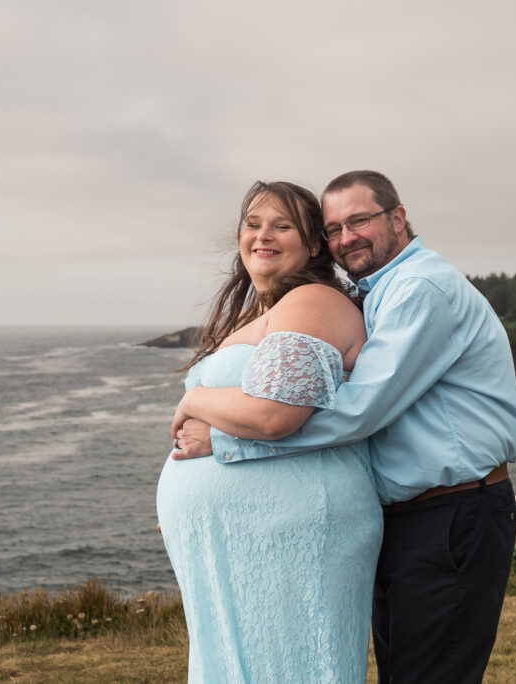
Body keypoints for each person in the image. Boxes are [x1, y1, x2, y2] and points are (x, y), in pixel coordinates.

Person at [172, 170, 516, 684]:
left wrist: (225, 440)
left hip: (452, 511)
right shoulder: (375, 294)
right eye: (334, 228)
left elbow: (360, 410)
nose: (346, 238)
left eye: (359, 221)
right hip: (413, 516)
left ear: (398, 218)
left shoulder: (420, 288)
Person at [156, 180, 383, 683]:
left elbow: (273, 415)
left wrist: (192, 399)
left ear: (315, 245)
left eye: (283, 226)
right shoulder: (258, 315)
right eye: (254, 224)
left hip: (292, 533)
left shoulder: (313, 301)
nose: (264, 235)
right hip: (246, 535)